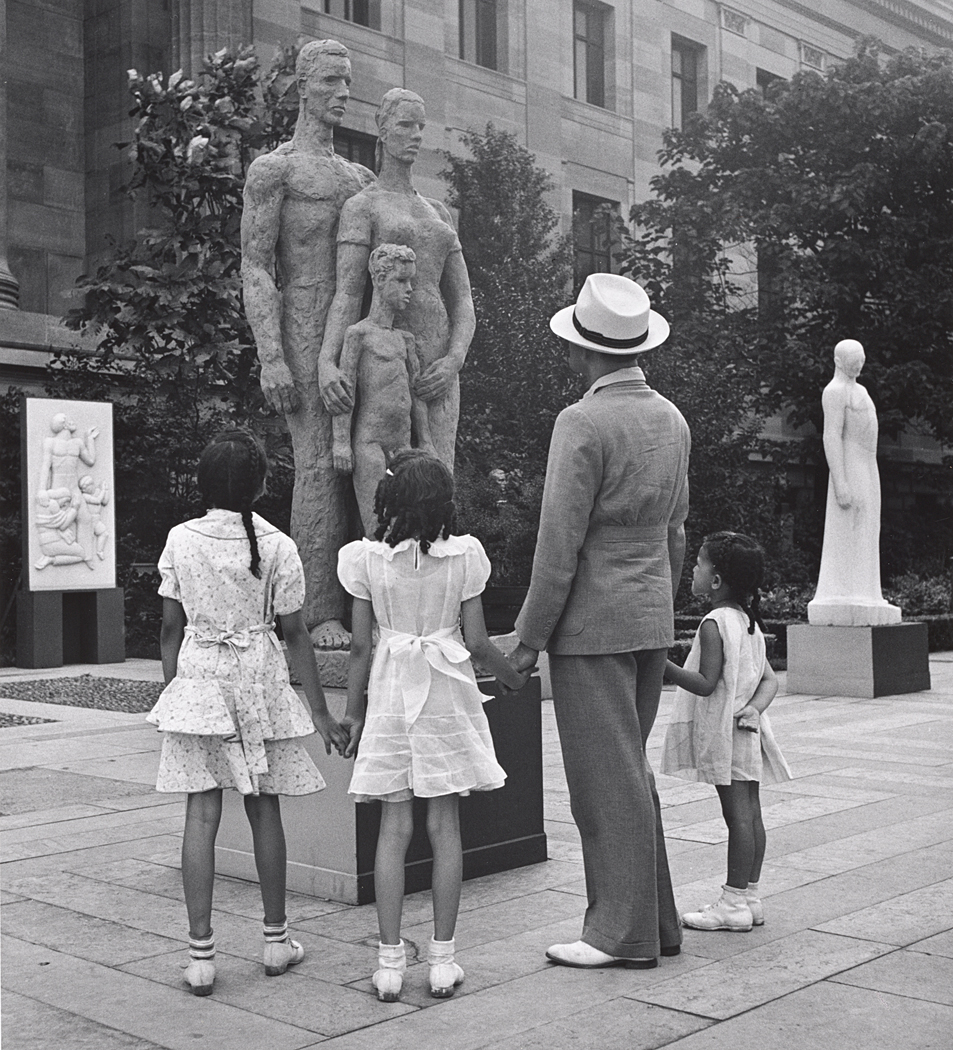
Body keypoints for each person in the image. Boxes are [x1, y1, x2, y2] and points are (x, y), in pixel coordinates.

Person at [508, 272, 689, 969]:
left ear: (582, 351)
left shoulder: (581, 421)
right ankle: (655, 923)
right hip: (648, 616)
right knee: (629, 774)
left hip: (591, 624)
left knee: (603, 783)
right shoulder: (670, 418)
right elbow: (675, 532)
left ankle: (619, 934)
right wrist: (658, 610)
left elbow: (558, 545)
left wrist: (527, 641)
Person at [148, 431, 350, 997]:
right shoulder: (279, 544)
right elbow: (296, 637)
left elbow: (169, 627)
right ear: (261, 484)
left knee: (201, 813)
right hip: (258, 680)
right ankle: (274, 941)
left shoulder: (180, 540)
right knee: (265, 810)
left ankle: (201, 956)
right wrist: (321, 712)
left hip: (202, 681)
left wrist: (176, 697)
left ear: (204, 483)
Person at [336, 449, 529, 1002]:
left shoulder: (366, 559)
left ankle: (389, 964)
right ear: (444, 502)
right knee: (445, 827)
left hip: (393, 688)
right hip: (446, 689)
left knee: (393, 830)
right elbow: (475, 641)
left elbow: (359, 647)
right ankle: (443, 960)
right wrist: (512, 678)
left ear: (388, 498)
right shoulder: (465, 556)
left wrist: (354, 711)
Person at [241, 39, 375, 649]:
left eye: (347, 82)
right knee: (320, 464)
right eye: (330, 82)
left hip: (357, 332)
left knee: (370, 462)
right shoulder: (275, 171)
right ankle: (318, 607)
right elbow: (256, 265)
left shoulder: (359, 178)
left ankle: (370, 605)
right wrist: (270, 353)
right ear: (303, 88)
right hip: (301, 321)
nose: (342, 93)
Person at [319, 88, 475, 470]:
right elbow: (348, 293)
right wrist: (327, 360)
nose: (416, 134)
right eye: (406, 124)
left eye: (421, 126)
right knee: (388, 475)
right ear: (383, 130)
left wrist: (454, 359)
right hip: (386, 356)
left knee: (440, 472)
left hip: (438, 360)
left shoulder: (438, 211)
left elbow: (463, 302)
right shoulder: (363, 206)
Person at [661, 531, 792, 931]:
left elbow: (704, 682)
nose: (694, 572)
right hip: (747, 730)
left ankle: (732, 902)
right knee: (751, 814)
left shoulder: (713, 623)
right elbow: (770, 680)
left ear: (716, 580)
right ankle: (750, 896)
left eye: (699, 564)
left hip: (725, 732)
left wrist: (658, 664)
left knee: (736, 817)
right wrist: (754, 709)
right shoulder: (749, 623)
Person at [332, 243, 435, 534]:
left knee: (413, 529)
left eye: (411, 281)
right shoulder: (359, 334)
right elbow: (345, 390)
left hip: (404, 445)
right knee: (377, 529)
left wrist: (425, 440)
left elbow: (415, 395)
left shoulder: (405, 339)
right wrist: (340, 440)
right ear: (379, 280)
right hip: (371, 443)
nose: (410, 289)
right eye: (401, 281)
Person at [808, 339, 900, 626]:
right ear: (838, 360)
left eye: (861, 358)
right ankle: (844, 590)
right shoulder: (834, 392)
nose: (858, 364)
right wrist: (840, 482)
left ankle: (867, 590)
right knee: (850, 528)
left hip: (868, 466)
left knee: (868, 529)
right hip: (850, 465)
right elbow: (831, 435)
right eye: (853, 359)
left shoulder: (861, 390)